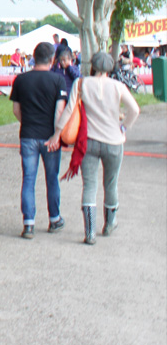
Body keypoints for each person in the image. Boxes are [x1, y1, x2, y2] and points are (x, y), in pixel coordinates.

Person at [58, 51, 141, 245]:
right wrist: (123, 127)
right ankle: (109, 224)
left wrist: (57, 133)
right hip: (114, 142)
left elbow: (69, 110)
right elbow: (135, 110)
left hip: (89, 142)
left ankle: (90, 233)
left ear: (92, 66)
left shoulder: (81, 83)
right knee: (110, 183)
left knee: (89, 185)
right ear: (110, 68)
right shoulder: (118, 86)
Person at [10, 42, 69, 240]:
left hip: (28, 135)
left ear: (33, 58)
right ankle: (54, 219)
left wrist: (28, 123)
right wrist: (56, 135)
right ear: (52, 59)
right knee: (51, 178)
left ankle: (28, 224)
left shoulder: (20, 79)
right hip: (50, 137)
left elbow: (16, 110)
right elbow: (59, 111)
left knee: (28, 179)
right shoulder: (58, 80)